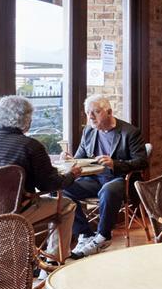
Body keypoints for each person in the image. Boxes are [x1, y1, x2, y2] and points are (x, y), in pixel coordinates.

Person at [0, 95, 79, 260]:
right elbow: (49, 185)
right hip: (11, 216)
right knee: (66, 205)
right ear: (26, 120)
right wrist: (72, 175)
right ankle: (53, 263)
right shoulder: (30, 146)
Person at [63, 94, 148, 257]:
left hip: (120, 179)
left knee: (108, 190)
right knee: (61, 187)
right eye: (88, 113)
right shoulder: (88, 131)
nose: (90, 117)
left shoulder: (129, 132)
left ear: (109, 112)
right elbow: (80, 158)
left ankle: (103, 236)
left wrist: (114, 164)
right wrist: (68, 159)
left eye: (95, 112)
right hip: (93, 179)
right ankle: (85, 233)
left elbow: (142, 162)